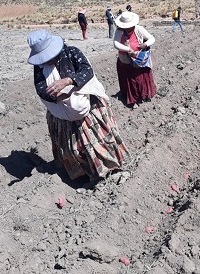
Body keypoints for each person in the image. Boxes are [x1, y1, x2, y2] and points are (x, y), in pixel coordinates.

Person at [26, 29, 130, 183]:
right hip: (61, 113)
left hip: (88, 107)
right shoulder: (39, 67)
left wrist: (69, 81)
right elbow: (40, 88)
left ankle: (109, 169)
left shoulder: (71, 53)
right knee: (74, 148)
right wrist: (58, 97)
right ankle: (85, 175)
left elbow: (87, 70)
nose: (47, 61)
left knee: (98, 141)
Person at [113, 11, 157, 108]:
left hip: (138, 60)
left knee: (140, 77)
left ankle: (143, 95)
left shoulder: (139, 29)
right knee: (130, 79)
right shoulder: (119, 31)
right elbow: (116, 44)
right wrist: (128, 49)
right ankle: (133, 100)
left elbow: (151, 38)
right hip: (125, 59)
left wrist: (145, 44)